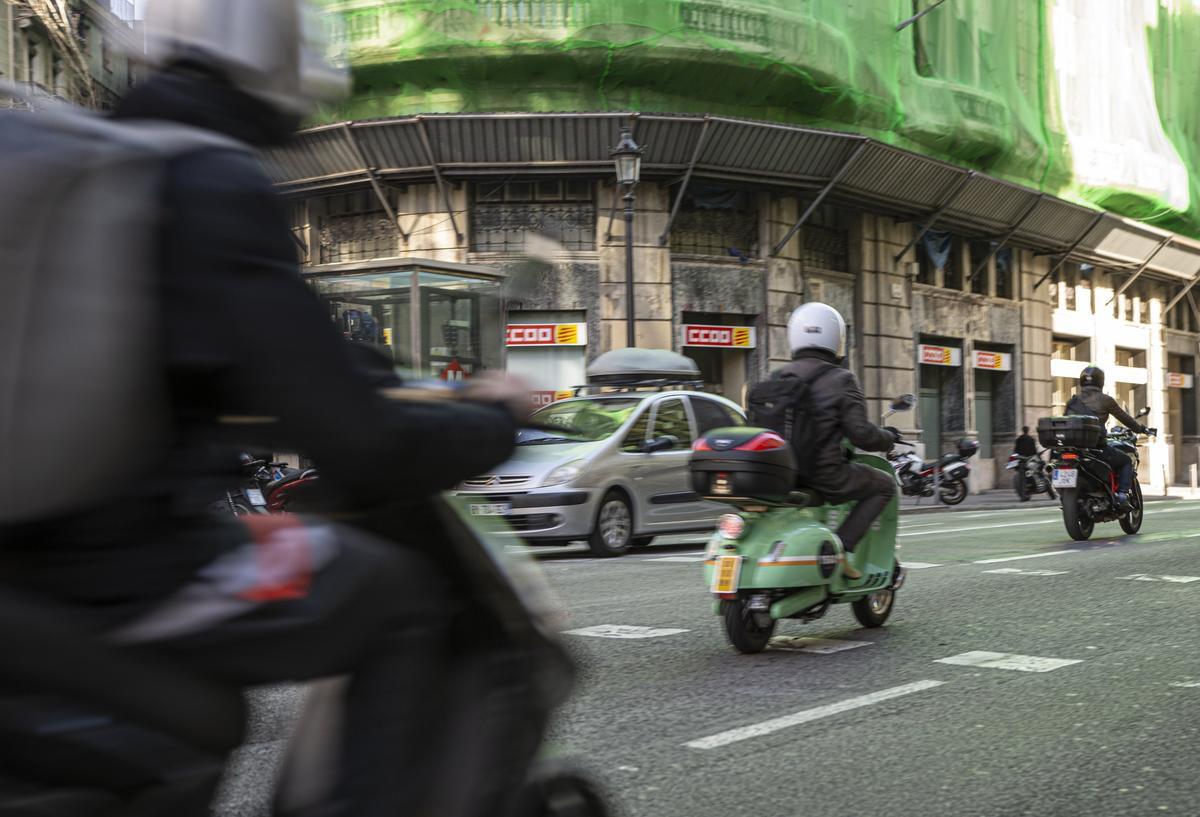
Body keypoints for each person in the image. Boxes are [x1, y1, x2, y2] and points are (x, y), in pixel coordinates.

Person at [0, 1, 529, 814]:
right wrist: (493, 416)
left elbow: (295, 347)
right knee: (395, 594)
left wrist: (375, 375)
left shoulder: (97, 160)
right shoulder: (209, 175)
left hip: (33, 566)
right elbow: (361, 440)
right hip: (122, 566)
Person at [783, 303, 900, 579]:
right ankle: (840, 551)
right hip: (822, 474)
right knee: (883, 486)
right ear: (836, 338)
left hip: (781, 474)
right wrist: (888, 439)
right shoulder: (841, 379)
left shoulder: (777, 377)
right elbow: (862, 434)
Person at [1065, 366, 1150, 510]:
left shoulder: (1073, 401)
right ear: (1100, 382)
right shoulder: (1105, 400)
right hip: (1097, 448)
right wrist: (1141, 429)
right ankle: (1122, 495)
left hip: (1074, 449)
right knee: (1125, 461)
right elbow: (1125, 418)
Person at [1013, 426, 1039, 501]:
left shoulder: (1019, 439)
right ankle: (1027, 492)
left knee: (1022, 479)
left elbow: (1015, 450)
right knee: (1031, 475)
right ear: (1028, 431)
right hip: (1029, 460)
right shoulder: (1031, 439)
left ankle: (1023, 495)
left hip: (1021, 461)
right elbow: (1034, 451)